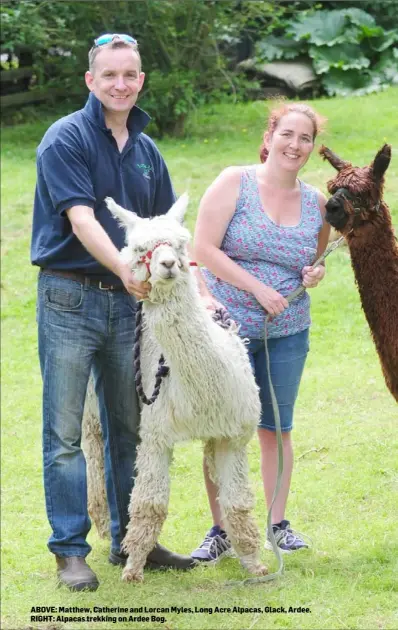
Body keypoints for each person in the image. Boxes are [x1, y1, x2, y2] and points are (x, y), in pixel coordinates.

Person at [31, 33, 198, 591]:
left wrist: (191, 290)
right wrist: (127, 272)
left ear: (141, 80)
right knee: (64, 433)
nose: (120, 84)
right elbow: (82, 219)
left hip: (131, 309)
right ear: (91, 81)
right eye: (110, 76)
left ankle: (135, 542)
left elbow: (165, 235)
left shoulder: (148, 152)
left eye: (130, 75)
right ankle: (70, 553)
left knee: (131, 427)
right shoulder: (66, 139)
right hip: (70, 297)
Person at [191, 102, 330, 561]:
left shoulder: (317, 205)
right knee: (224, 429)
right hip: (226, 330)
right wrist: (256, 288)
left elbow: (312, 261)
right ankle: (222, 530)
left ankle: (276, 524)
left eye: (305, 138)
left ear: (312, 146)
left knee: (275, 428)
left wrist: (313, 274)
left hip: (288, 331)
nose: (295, 145)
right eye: (287, 134)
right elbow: (203, 249)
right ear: (270, 136)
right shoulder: (235, 182)